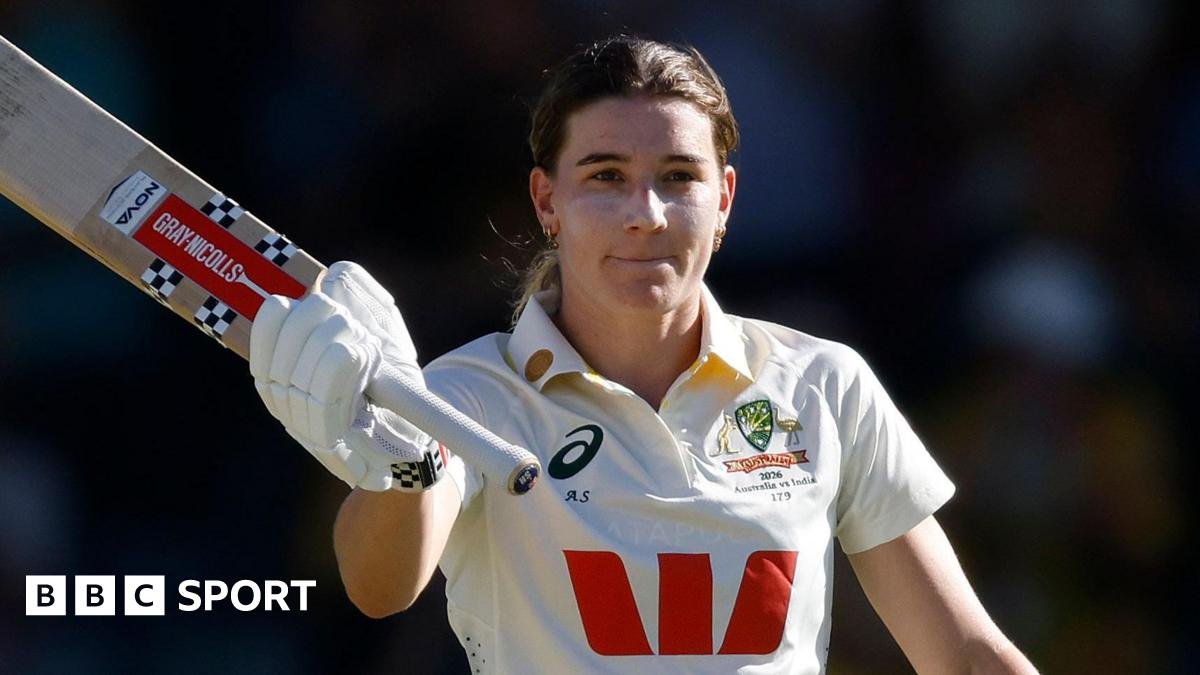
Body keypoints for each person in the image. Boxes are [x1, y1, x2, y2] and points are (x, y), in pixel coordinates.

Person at [249, 36, 1037, 674]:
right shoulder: (467, 395)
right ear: (546, 201)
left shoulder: (824, 384)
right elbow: (379, 587)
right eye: (606, 177)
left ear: (723, 200)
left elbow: (965, 655)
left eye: (677, 177)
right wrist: (401, 457)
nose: (644, 214)